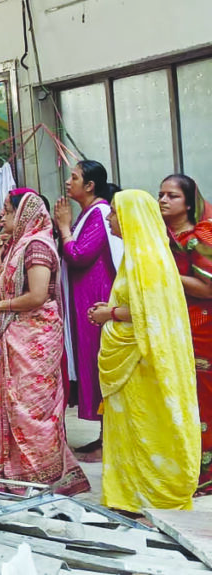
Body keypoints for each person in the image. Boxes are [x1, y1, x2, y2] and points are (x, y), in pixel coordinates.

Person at [95, 189, 200, 512]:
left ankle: (151, 494)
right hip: (130, 362)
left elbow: (151, 311)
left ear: (131, 218)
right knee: (129, 426)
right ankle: (128, 494)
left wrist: (110, 314)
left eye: (114, 213)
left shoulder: (148, 259)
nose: (109, 218)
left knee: (145, 425)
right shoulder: (136, 256)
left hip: (141, 364)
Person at [0, 191, 90, 495]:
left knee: (31, 407)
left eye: (7, 211)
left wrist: (0, 307)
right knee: (14, 404)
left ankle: (42, 474)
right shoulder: (20, 245)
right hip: (18, 332)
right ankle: (18, 471)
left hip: (35, 336)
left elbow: (38, 295)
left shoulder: (37, 245)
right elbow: (3, 286)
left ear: (24, 214)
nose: (3, 217)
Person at [52, 160, 122, 461]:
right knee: (93, 365)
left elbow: (79, 255)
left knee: (101, 366)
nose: (69, 182)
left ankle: (110, 442)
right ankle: (104, 437)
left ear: (90, 185)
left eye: (75, 177)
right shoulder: (88, 213)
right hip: (85, 300)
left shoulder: (100, 212)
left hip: (97, 299)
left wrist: (63, 227)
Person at [160, 173, 212, 494]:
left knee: (203, 398)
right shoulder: (161, 235)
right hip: (173, 324)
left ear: (189, 203)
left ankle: (206, 473)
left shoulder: (201, 236)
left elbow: (208, 287)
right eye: (161, 194)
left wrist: (164, 273)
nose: (163, 200)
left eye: (172, 195)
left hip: (202, 327)